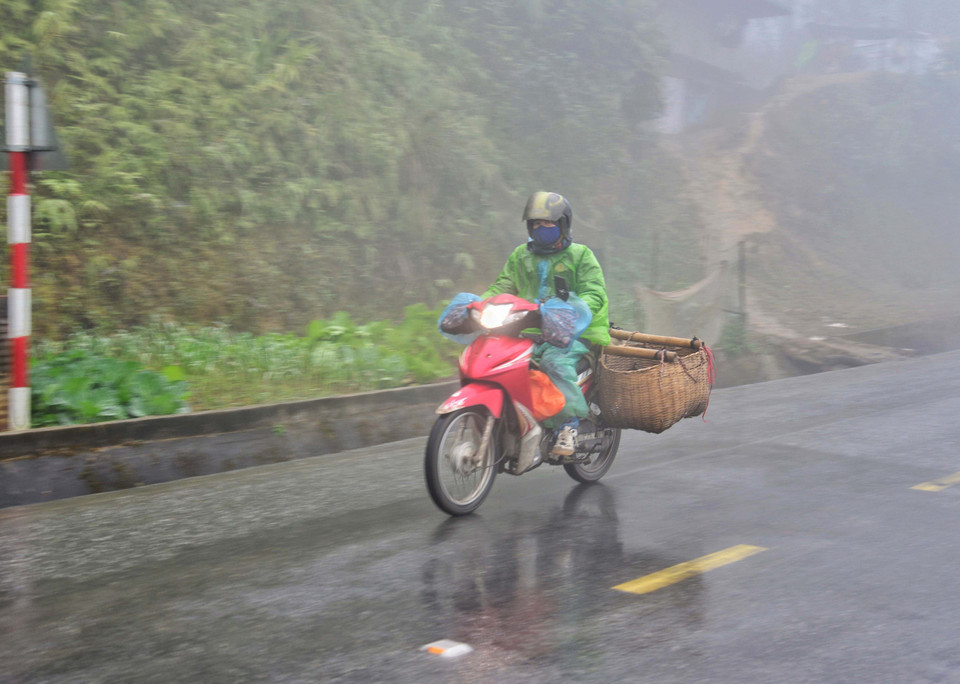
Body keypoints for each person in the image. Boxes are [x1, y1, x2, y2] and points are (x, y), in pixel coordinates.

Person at [483, 191, 610, 456]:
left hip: (572, 334)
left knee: (554, 363)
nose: (541, 229)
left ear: (563, 224)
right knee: (495, 360)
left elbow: (594, 293)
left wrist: (573, 310)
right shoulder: (521, 256)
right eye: (536, 224)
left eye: (548, 223)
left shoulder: (581, 255)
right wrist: (479, 305)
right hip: (527, 331)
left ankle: (569, 426)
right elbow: (502, 286)